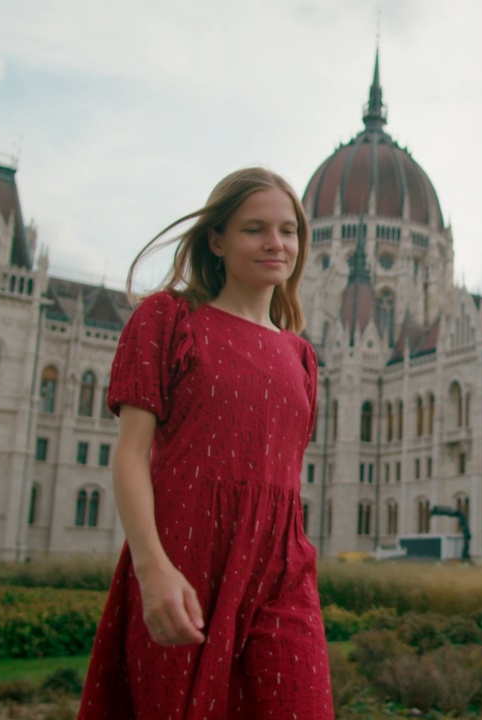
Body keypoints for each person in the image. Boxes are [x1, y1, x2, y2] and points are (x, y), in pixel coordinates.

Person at [78, 168, 332, 719]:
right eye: (255, 229)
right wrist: (152, 568)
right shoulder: (169, 319)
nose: (276, 244)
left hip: (281, 571)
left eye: (288, 231)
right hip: (186, 557)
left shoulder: (302, 358)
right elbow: (130, 453)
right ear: (216, 239)